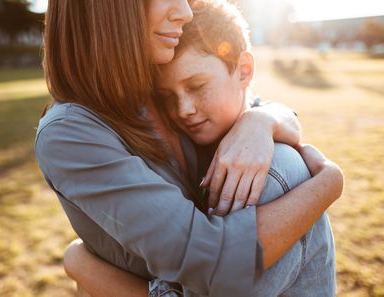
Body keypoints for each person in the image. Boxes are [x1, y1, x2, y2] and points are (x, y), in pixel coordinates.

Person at [36, 0, 343, 296]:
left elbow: (252, 100)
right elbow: (213, 263)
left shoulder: (154, 91)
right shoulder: (70, 131)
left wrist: (261, 120)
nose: (184, 11)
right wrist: (327, 183)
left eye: (196, 87)